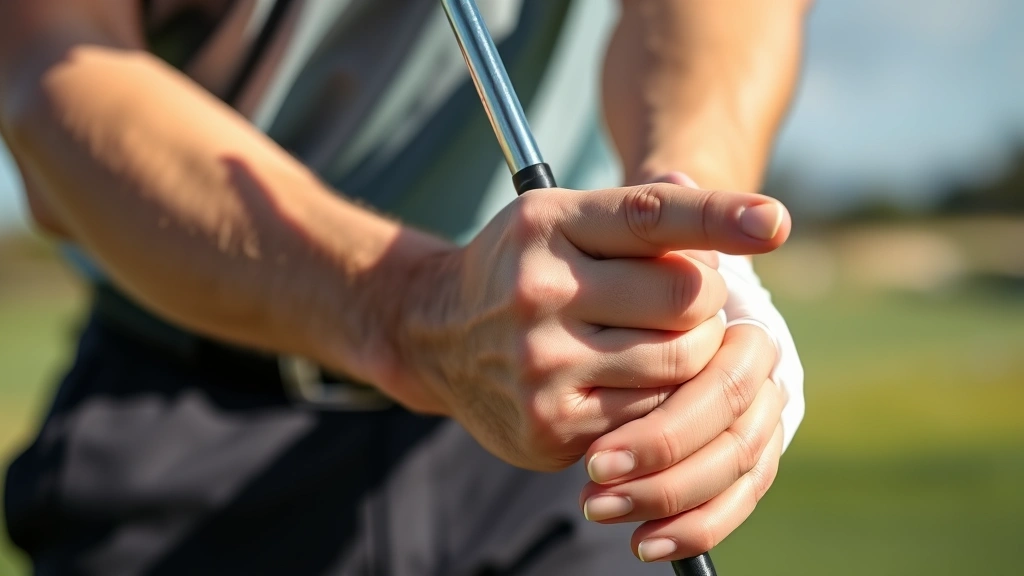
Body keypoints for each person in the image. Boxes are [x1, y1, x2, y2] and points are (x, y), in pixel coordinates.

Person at [0, 0, 809, 574]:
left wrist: (690, 240)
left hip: (577, 400)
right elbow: (45, 66)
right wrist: (415, 313)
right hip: (196, 420)